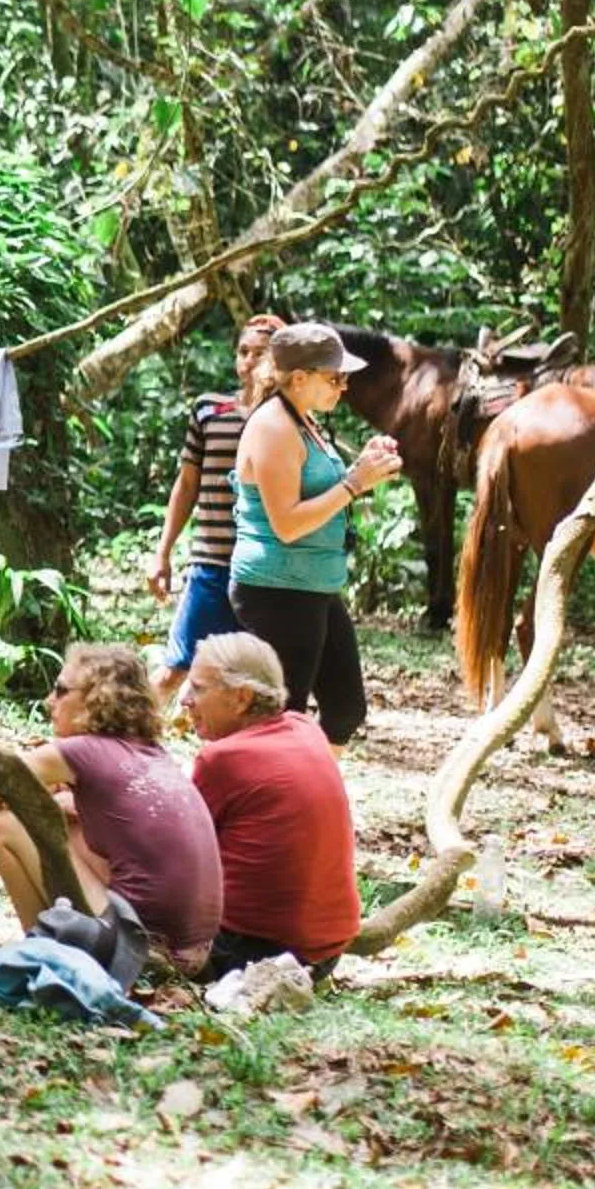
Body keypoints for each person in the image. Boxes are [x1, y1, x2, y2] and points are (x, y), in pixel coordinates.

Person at [0, 643, 223, 974]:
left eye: (61, 690)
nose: (49, 701)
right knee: (72, 827)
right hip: (194, 957)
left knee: (9, 826)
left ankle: (42, 949)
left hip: (138, 951)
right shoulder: (150, 752)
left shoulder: (83, 751)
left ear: (97, 698)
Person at [229, 321, 401, 745]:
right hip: (277, 589)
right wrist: (354, 483)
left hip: (315, 586)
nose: (343, 387)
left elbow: (320, 490)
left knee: (345, 709)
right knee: (282, 719)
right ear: (299, 378)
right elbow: (286, 524)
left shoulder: (305, 420)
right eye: (335, 377)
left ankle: (309, 797)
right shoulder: (273, 425)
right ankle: (277, 805)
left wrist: (363, 466)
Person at [184, 632, 360, 981]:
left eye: (199, 689)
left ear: (242, 698)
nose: (186, 700)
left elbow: (175, 851)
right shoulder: (305, 727)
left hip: (250, 955)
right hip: (326, 954)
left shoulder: (221, 759)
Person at [146, 314, 285, 693]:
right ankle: (121, 741)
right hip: (211, 563)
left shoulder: (289, 420)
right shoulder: (209, 409)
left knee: (255, 682)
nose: (249, 361)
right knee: (176, 667)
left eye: (260, 353)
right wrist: (163, 552)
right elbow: (187, 484)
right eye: (243, 352)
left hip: (265, 570)